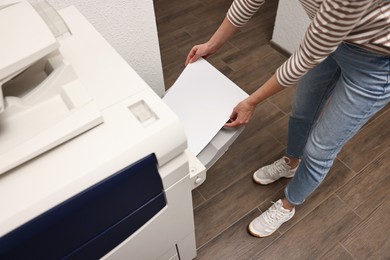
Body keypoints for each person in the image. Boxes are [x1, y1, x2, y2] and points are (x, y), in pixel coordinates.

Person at [185, 0, 390, 237]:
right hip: (335, 43)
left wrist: (252, 102)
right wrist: (212, 44)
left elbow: (306, 58)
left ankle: (289, 204)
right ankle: (291, 162)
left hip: (376, 65)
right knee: (302, 112)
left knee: (319, 149)